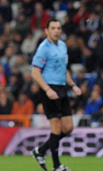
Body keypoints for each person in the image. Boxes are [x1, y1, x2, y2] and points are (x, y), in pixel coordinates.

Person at [31, 19, 82, 171]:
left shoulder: (63, 46)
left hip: (62, 88)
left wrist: (73, 85)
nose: (56, 31)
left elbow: (63, 69)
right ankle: (56, 166)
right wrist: (47, 89)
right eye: (53, 28)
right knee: (56, 127)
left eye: (58, 28)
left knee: (68, 127)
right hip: (49, 89)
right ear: (47, 31)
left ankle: (40, 151)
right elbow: (35, 73)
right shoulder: (43, 48)